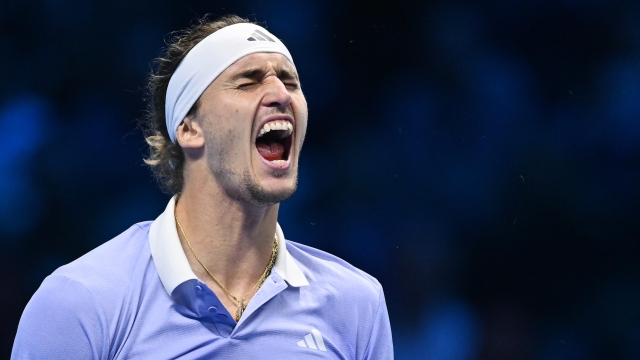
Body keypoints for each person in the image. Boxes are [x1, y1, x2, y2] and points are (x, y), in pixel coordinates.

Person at [11, 14, 393, 359]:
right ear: (189, 128)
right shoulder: (80, 300)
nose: (281, 94)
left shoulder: (356, 305)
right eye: (248, 81)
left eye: (290, 81)